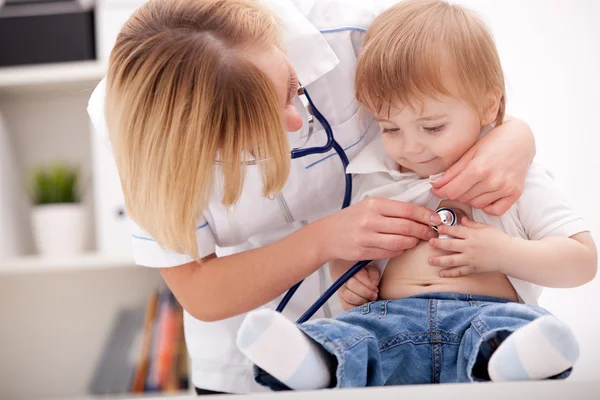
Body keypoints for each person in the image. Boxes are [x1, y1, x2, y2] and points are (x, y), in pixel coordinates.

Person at [88, 0, 539, 394]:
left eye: (289, 87)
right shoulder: (139, 125)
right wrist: (326, 241)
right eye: (254, 129)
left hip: (395, 338)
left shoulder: (357, 35)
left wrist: (516, 136)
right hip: (244, 356)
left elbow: (464, 103)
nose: (292, 121)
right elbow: (198, 289)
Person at [236, 0, 598, 390]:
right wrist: (346, 273)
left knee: (518, 329)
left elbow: (581, 261)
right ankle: (317, 362)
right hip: (391, 321)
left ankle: (508, 361)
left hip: (487, 315)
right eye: (390, 129)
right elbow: (351, 248)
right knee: (354, 333)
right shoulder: (372, 175)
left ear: (488, 105)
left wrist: (502, 252)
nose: (410, 148)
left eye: (433, 126)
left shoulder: (510, 177)